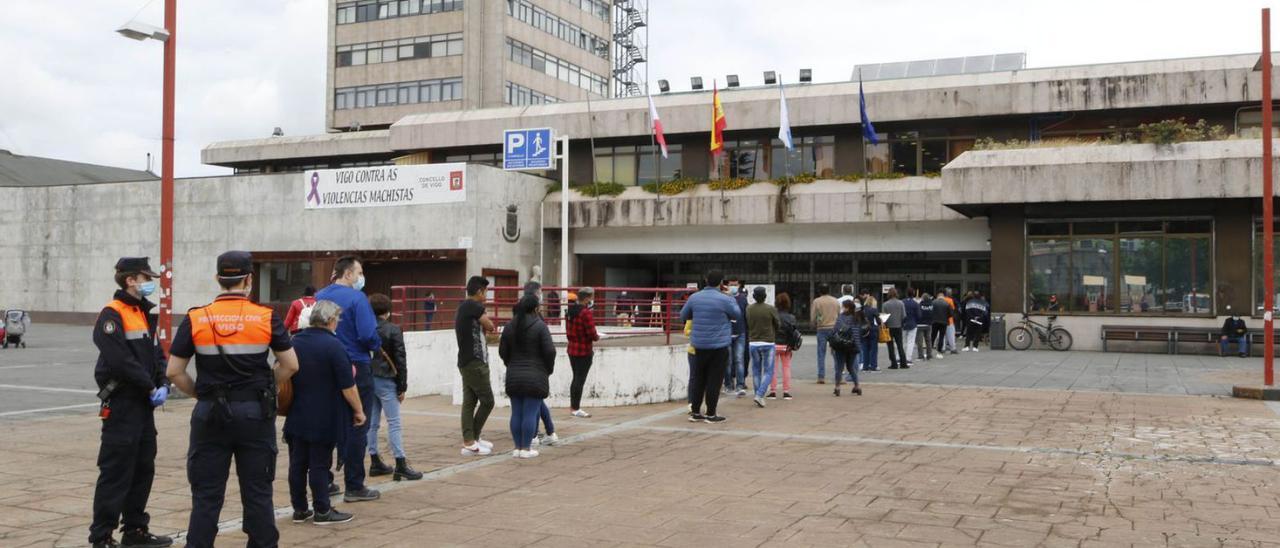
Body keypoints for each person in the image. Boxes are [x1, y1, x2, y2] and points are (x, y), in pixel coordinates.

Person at [166, 251, 299, 548]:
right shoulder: (266, 317)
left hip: (210, 413)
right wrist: (267, 386)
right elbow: (291, 365)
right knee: (257, 492)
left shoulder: (196, 317)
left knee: (206, 496)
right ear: (249, 280)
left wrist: (200, 393)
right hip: (254, 412)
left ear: (218, 279)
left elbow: (174, 371)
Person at [88, 257, 173, 548]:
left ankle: (135, 531)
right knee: (116, 471)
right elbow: (120, 360)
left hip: (143, 404)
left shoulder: (142, 312)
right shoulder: (112, 314)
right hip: (123, 402)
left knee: (142, 468)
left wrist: (164, 381)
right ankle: (102, 536)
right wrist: (150, 386)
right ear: (130, 281)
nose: (150, 282)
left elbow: (155, 354)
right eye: (144, 277)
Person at [284, 300, 364, 525]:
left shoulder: (295, 341)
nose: (338, 322)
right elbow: (347, 386)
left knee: (298, 463)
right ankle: (322, 510)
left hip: (297, 412)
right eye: (337, 318)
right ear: (329, 320)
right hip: (325, 414)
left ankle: (299, 509)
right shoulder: (333, 346)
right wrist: (359, 411)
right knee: (319, 464)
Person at [315, 256, 382, 503]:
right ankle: (354, 484)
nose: (361, 277)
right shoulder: (357, 299)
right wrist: (376, 344)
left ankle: (325, 480)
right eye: (360, 272)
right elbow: (367, 335)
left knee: (327, 422)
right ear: (348, 274)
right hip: (355, 364)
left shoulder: (320, 295)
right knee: (358, 422)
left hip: (323, 364)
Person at [366, 293, 422, 481]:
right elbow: (400, 359)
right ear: (388, 311)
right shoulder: (393, 329)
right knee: (394, 422)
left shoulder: (365, 327)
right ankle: (400, 462)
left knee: (372, 422)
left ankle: (374, 459)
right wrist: (402, 386)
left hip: (369, 377)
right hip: (387, 379)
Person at [680, 270, 742, 424]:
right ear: (722, 283)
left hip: (699, 344)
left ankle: (695, 412)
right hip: (719, 346)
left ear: (706, 280)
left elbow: (683, 315)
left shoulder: (694, 297)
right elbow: (737, 315)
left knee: (698, 378)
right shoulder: (725, 299)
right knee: (714, 380)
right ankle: (711, 413)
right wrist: (732, 298)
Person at [501, 292, 556, 458]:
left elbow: (503, 351)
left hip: (513, 375)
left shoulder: (510, 326)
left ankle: (517, 448)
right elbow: (550, 351)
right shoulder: (540, 326)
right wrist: (547, 369)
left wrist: (511, 364)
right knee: (530, 413)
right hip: (535, 376)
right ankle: (526, 448)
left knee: (516, 412)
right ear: (536, 308)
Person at [456, 276, 496, 456]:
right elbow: (490, 325)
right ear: (479, 291)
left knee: (470, 401)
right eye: (486, 291)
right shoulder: (474, 306)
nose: (487, 295)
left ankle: (471, 440)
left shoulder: (464, 307)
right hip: (475, 362)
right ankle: (470, 440)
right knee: (488, 401)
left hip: (466, 361)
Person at [565, 287, 600, 418]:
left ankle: (573, 406)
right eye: (591, 297)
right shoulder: (586, 313)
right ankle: (575, 408)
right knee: (580, 380)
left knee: (576, 378)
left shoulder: (569, 310)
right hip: (584, 350)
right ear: (587, 298)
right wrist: (597, 337)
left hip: (572, 348)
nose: (592, 300)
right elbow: (592, 333)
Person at [746, 286, 780, 408]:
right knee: (768, 371)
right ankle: (760, 395)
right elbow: (777, 324)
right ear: (765, 296)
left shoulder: (749, 309)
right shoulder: (770, 309)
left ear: (754, 296)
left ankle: (757, 395)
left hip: (753, 342)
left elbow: (748, 323)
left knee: (756, 371)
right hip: (768, 342)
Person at [769, 292, 798, 400]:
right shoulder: (791, 317)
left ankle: (772, 391)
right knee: (786, 367)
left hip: (774, 344)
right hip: (786, 346)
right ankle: (786, 391)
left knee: (773, 368)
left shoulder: (773, 315)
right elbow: (793, 332)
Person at [724, 277, 749, 397]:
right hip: (726, 333)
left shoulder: (743, 299)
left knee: (739, 359)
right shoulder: (724, 298)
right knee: (728, 361)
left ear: (739, 285)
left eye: (735, 284)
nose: (733, 286)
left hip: (740, 332)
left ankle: (740, 385)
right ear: (727, 285)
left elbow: (746, 315)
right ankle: (728, 385)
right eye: (731, 284)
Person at [831, 300, 862, 396]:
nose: (842, 308)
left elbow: (836, 330)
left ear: (847, 307)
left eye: (843, 306)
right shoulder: (856, 318)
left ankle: (837, 387)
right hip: (853, 346)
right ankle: (857, 386)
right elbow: (858, 333)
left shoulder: (841, 317)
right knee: (851, 367)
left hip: (842, 345)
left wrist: (832, 344)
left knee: (839, 367)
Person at [810, 284, 840, 384]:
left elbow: (813, 316)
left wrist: (814, 324)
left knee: (821, 353)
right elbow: (839, 315)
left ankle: (821, 376)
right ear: (829, 290)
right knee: (837, 354)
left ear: (819, 291)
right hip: (834, 328)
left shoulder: (817, 301)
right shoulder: (835, 301)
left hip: (822, 329)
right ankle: (838, 375)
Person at [882, 288, 909, 369]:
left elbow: (884, 318)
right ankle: (903, 363)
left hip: (889, 327)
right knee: (900, 345)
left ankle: (893, 363)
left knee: (890, 346)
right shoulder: (901, 303)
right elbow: (904, 315)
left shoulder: (885, 304)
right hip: (898, 326)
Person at [860, 293, 881, 372]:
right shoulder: (873, 310)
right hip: (872, 330)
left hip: (863, 331)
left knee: (865, 349)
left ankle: (865, 366)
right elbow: (878, 321)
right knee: (873, 349)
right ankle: (873, 366)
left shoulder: (862, 309)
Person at [931, 290, 952, 359]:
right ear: (943, 297)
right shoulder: (946, 304)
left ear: (937, 296)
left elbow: (930, 311)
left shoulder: (933, 302)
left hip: (934, 322)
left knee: (933, 336)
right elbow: (950, 314)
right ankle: (939, 352)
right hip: (943, 322)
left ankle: (929, 351)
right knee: (941, 337)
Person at [902, 289, 920, 367]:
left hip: (903, 324)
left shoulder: (902, 302)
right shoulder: (915, 304)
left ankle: (899, 357)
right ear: (913, 294)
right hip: (912, 323)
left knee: (902, 342)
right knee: (911, 342)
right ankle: (908, 359)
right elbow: (919, 315)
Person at [916, 293, 934, 362]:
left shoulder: (920, 304)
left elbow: (917, 314)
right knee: (928, 340)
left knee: (920, 341)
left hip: (920, 325)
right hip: (928, 324)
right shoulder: (932, 305)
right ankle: (929, 355)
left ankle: (921, 355)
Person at [943, 289, 959, 354]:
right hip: (950, 320)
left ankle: (942, 348)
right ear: (949, 293)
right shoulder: (950, 300)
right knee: (951, 335)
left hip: (942, 320)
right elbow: (952, 310)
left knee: (943, 335)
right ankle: (953, 349)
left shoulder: (941, 300)